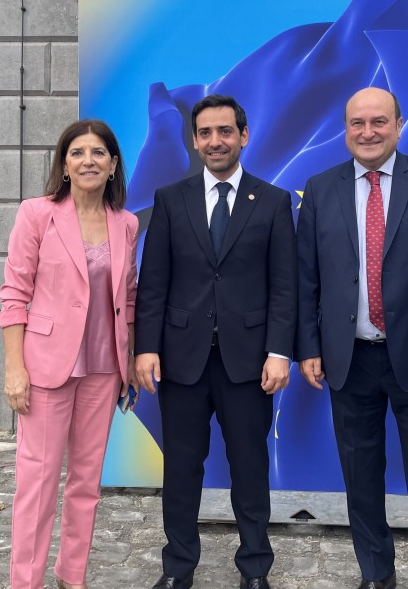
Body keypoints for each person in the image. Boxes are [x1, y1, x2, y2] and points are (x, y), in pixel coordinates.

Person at [295, 87, 408, 589]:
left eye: (379, 121)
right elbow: (305, 278)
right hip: (347, 359)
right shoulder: (320, 188)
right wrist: (308, 346)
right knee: (360, 477)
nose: (368, 132)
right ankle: (377, 574)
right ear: (345, 130)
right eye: (357, 123)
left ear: (398, 125)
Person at [134, 94, 297, 589]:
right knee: (182, 471)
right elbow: (154, 283)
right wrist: (146, 347)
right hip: (181, 361)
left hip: (248, 364)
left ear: (243, 136)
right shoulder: (171, 199)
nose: (215, 141)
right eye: (205, 133)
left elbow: (284, 286)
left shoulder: (273, 201)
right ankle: (177, 568)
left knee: (250, 469)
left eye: (225, 131)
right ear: (194, 140)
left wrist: (279, 352)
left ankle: (255, 568)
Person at [0, 120, 139, 589]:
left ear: (113, 164)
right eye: (77, 153)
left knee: (86, 481)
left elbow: (129, 299)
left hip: (103, 368)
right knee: (37, 482)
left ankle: (71, 575)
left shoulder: (126, 223)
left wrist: (129, 362)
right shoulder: (37, 214)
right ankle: (26, 581)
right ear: (63, 164)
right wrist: (15, 368)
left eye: (98, 153)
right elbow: (14, 294)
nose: (88, 161)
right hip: (45, 368)